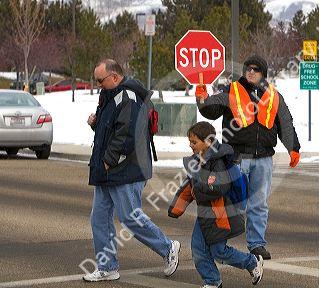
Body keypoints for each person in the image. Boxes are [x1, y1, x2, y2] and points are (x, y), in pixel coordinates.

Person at [194, 55, 301, 260]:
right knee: (232, 203)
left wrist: (293, 148)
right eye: (248, 69)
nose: (250, 72)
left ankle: (257, 244)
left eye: (255, 69)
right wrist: (201, 98)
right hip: (237, 158)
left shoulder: (273, 96)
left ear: (263, 74)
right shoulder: (231, 90)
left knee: (259, 204)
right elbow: (211, 110)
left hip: (263, 159)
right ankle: (220, 242)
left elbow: (285, 123)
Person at [83, 59, 180, 282]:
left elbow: (127, 135)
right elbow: (111, 129)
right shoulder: (109, 96)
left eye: (100, 80)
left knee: (130, 218)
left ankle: (168, 248)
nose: (98, 84)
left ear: (114, 77)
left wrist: (108, 161)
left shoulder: (129, 98)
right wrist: (95, 123)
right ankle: (107, 267)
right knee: (99, 218)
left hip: (126, 169)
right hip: (108, 170)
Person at [168, 121, 264, 288]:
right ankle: (212, 281)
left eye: (194, 142)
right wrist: (176, 208)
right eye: (190, 142)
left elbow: (219, 187)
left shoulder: (218, 162)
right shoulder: (198, 162)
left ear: (208, 142)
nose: (191, 145)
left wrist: (198, 188)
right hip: (206, 214)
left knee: (218, 251)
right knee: (198, 249)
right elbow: (189, 186)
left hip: (221, 214)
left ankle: (252, 262)